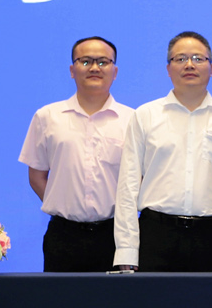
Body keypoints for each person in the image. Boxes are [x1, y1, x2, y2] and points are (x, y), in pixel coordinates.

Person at [113, 31, 212, 272]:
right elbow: (127, 187)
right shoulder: (145, 116)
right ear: (168, 69)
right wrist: (126, 251)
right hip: (156, 236)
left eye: (198, 58)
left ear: (211, 67)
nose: (189, 65)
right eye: (180, 58)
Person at [19, 36, 134, 272]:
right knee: (61, 306)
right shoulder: (47, 116)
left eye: (103, 62)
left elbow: (139, 180)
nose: (94, 68)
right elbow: (37, 176)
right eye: (85, 61)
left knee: (115, 307)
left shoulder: (132, 120)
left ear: (115, 71)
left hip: (114, 237)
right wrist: (67, 207)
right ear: (72, 70)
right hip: (63, 236)